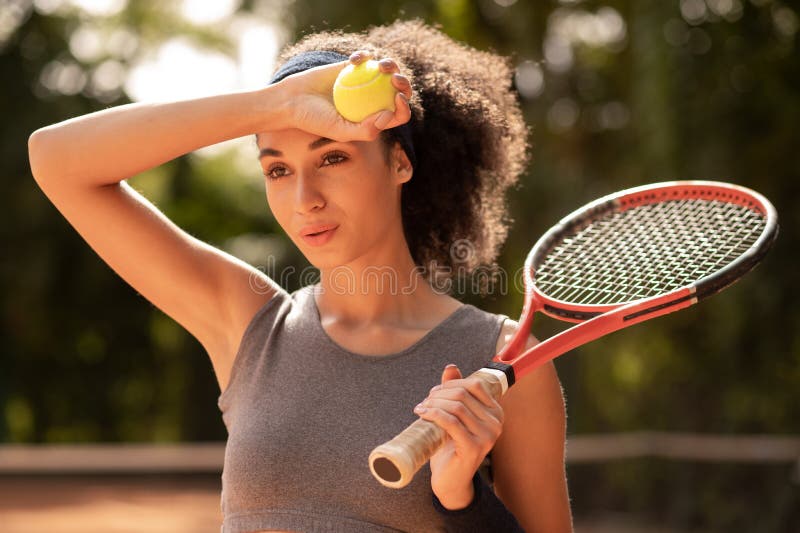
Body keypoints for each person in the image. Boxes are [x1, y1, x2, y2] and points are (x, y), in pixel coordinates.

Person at [28, 18, 572, 533]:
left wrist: (463, 503)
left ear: (399, 163)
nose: (304, 199)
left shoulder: (505, 362)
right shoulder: (249, 325)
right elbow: (55, 159)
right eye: (278, 169)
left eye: (332, 158)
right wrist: (272, 105)